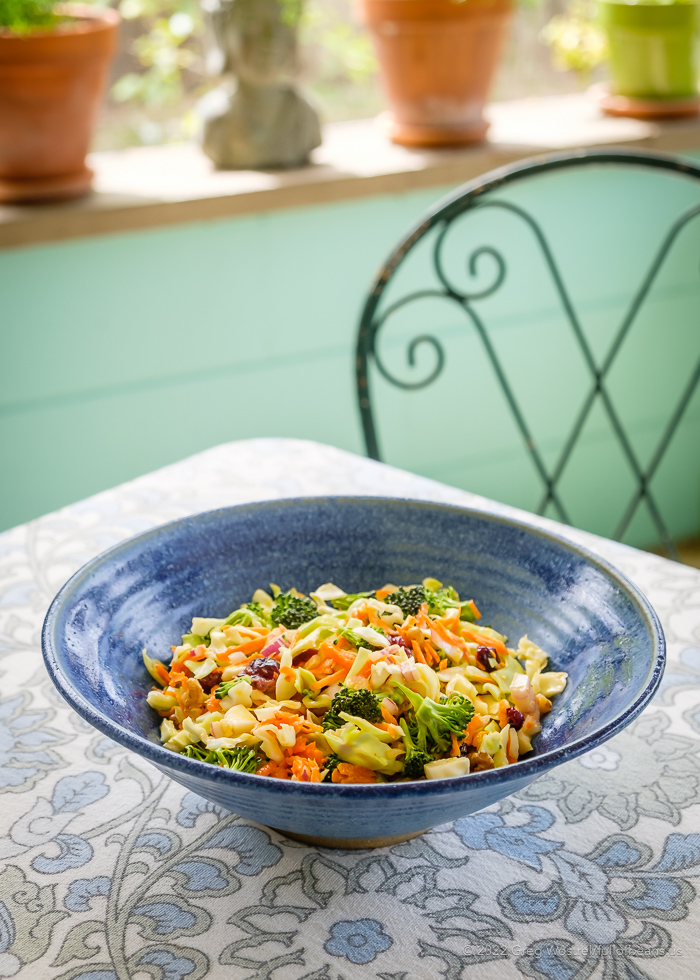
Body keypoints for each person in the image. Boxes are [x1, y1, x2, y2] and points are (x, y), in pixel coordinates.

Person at [199, 0, 321, 169]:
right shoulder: (218, 123)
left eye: (280, 23)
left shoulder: (304, 117)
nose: (270, 40)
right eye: (252, 23)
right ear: (222, 32)